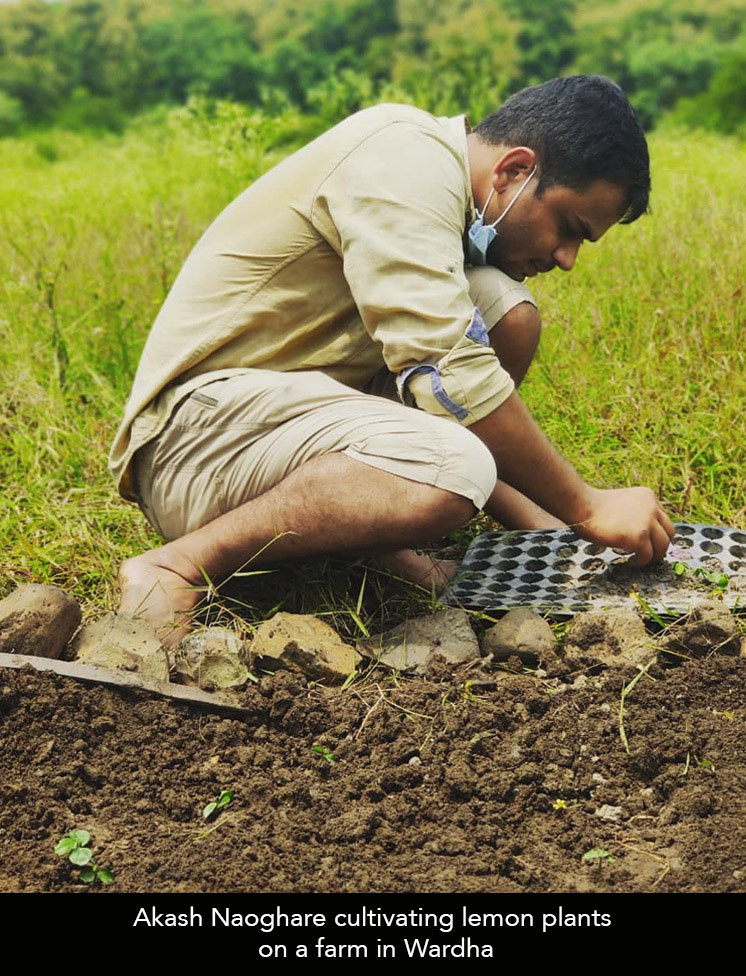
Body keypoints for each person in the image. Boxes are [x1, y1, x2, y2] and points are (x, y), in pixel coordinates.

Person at [111, 75, 675, 645]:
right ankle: (176, 565)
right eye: (570, 229)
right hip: (195, 441)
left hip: (284, 423)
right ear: (513, 171)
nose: (567, 258)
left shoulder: (446, 200)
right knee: (456, 465)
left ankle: (377, 546)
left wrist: (554, 539)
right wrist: (586, 507)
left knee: (504, 309)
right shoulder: (404, 158)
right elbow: (452, 375)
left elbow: (449, 383)